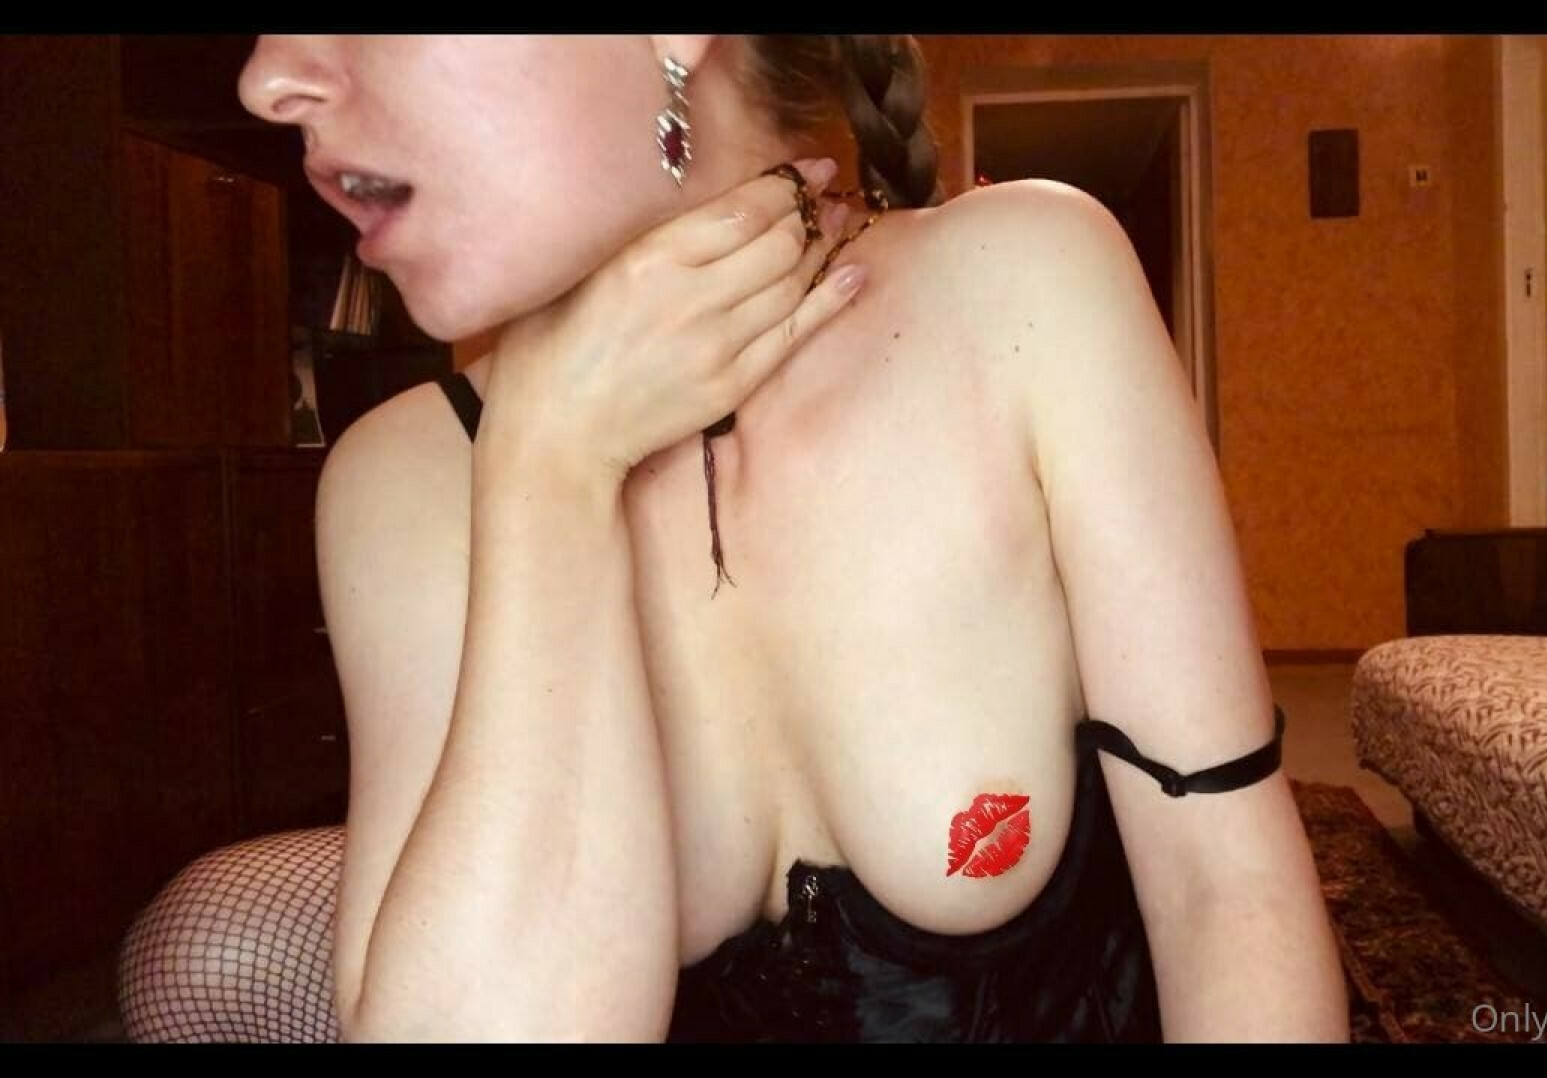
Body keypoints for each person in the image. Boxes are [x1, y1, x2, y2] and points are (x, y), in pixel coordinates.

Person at [236, 33, 1348, 1042]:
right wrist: (547, 465)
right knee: (209, 941)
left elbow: (1227, 897)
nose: (266, 79)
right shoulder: (400, 480)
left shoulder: (1029, 283)